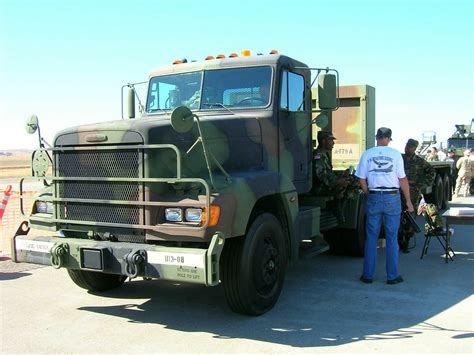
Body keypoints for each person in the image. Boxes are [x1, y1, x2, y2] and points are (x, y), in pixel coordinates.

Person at [356, 127, 414, 285]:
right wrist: (408, 201)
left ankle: (367, 275)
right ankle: (392, 276)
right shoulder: (395, 154)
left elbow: (361, 178)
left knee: (371, 238)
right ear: (389, 138)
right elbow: (402, 179)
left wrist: (369, 193)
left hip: (374, 196)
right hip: (392, 197)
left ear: (377, 137)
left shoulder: (367, 153)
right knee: (391, 238)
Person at [398, 139, 436, 253]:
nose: (407, 148)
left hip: (413, 193)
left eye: (410, 147)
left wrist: (421, 186)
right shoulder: (399, 159)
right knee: (397, 216)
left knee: (410, 217)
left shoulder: (420, 162)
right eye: (406, 146)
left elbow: (431, 172)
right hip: (398, 191)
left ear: (415, 148)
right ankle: (399, 239)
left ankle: (406, 241)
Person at [312, 131, 353, 221]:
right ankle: (336, 207)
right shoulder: (318, 155)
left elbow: (329, 172)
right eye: (330, 140)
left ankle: (338, 206)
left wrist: (342, 173)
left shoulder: (325, 154)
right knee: (342, 185)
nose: (333, 143)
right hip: (320, 188)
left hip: (327, 185)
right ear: (323, 141)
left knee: (351, 181)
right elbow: (320, 175)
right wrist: (338, 182)